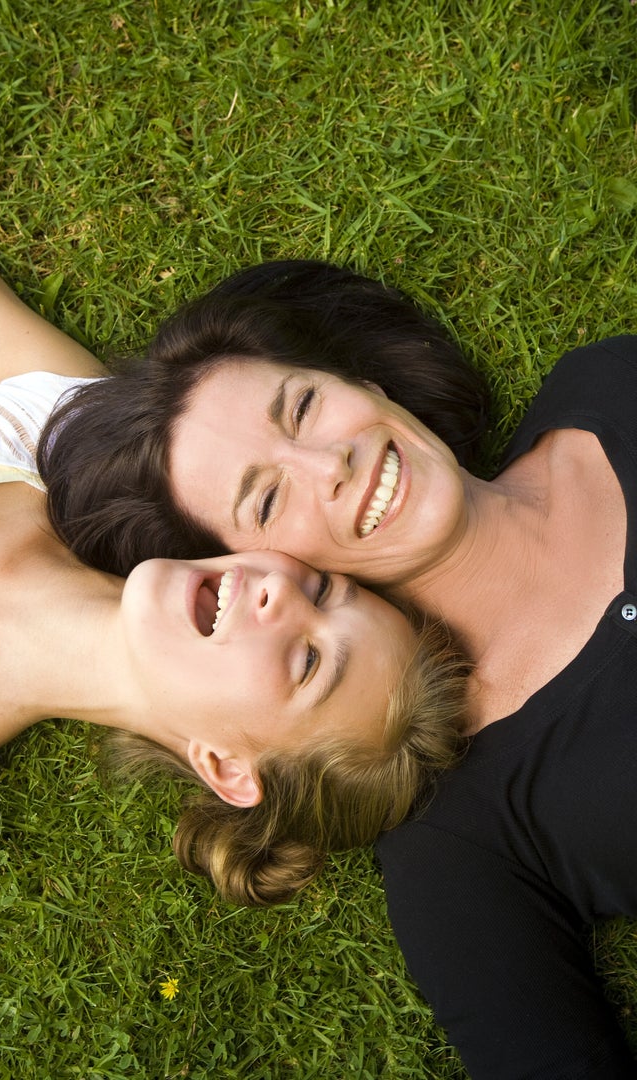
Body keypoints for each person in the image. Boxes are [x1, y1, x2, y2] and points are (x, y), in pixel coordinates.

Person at [39, 262, 637, 1078]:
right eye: (267, 501)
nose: (330, 463)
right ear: (252, 564)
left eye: (306, 407)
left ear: (361, 381)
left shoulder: (608, 377)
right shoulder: (460, 840)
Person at [0, 173, 470, 910]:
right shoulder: (72, 448)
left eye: (308, 663)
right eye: (322, 588)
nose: (280, 592)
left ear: (228, 768)